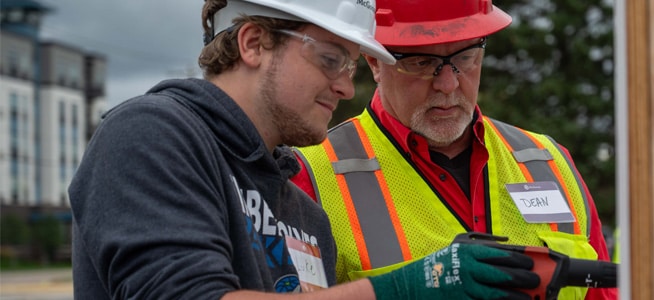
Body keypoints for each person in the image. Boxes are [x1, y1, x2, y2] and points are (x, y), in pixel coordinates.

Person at [68, 0, 550, 299]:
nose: (345, 87)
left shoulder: (300, 205)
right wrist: (403, 288)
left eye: (353, 66)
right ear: (254, 42)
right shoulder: (154, 134)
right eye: (329, 59)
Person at [291, 0, 619, 299]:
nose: (448, 84)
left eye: (465, 57)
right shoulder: (311, 174)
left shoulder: (549, 161)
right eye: (421, 62)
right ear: (375, 62)